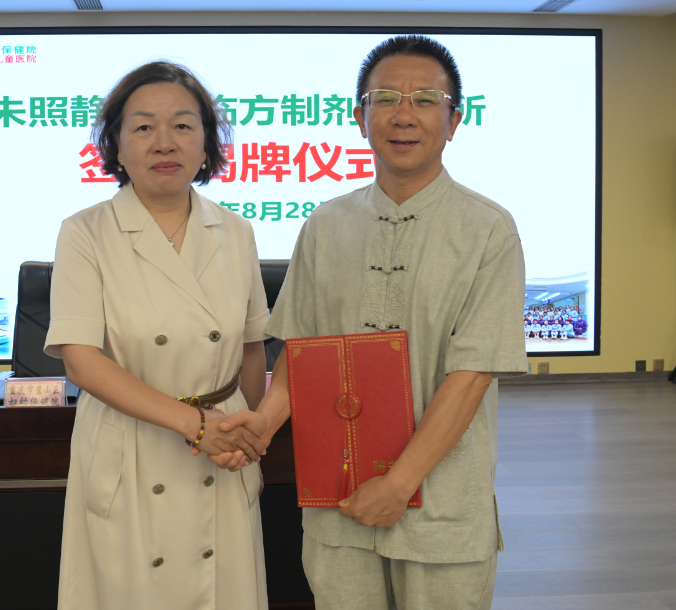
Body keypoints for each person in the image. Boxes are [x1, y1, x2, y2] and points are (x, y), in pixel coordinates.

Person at [219, 35, 528, 610]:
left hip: (442, 505)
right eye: (385, 98)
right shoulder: (326, 224)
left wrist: (399, 484)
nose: (403, 115)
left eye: (425, 100)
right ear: (360, 117)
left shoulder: (488, 229)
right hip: (339, 498)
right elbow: (303, 357)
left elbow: (472, 377)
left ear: (454, 121)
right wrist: (262, 424)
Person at [43, 61, 271, 610]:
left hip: (221, 448)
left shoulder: (236, 230)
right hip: (132, 443)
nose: (164, 142)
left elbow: (250, 348)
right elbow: (81, 361)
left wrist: (248, 437)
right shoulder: (85, 232)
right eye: (143, 126)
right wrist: (196, 426)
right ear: (116, 146)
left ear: (206, 144)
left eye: (183, 126)